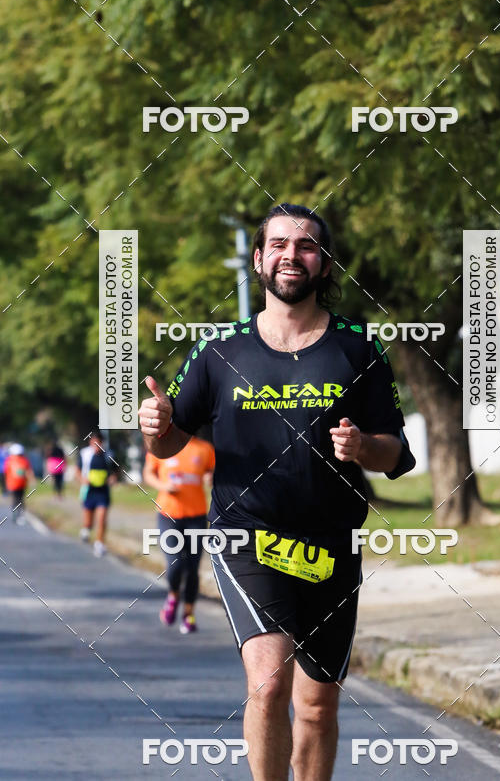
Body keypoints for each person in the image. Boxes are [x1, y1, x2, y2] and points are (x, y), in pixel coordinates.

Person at [138, 203, 415, 781]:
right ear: (260, 259)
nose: (293, 254)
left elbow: (397, 454)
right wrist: (158, 426)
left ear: (324, 262)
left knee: (316, 708)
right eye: (280, 244)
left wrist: (364, 446)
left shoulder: (357, 348)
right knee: (267, 685)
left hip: (332, 544)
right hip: (246, 538)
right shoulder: (219, 350)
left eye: (307, 245)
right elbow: (170, 444)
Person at [143, 435, 215, 634]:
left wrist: (211, 477)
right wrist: (163, 486)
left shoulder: (205, 448)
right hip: (168, 515)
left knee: (192, 568)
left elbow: (214, 471)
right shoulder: (161, 446)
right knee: (175, 563)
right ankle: (173, 595)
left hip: (197, 516)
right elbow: (148, 473)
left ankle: (188, 615)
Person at [76, 430, 117, 557]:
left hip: (103, 491)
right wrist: (82, 479)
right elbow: (77, 471)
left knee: (101, 519)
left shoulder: (109, 455)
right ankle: (86, 529)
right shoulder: (85, 454)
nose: (97, 445)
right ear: (91, 442)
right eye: (94, 443)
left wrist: (112, 478)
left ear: (102, 443)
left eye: (99, 443)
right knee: (88, 522)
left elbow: (116, 471)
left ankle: (99, 544)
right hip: (89, 491)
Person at [5, 443, 35, 524]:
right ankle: (19, 515)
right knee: (20, 499)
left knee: (15, 499)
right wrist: (32, 480)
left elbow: (6, 472)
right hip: (21, 484)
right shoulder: (24, 460)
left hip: (12, 484)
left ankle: (16, 515)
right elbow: (28, 471)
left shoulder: (9, 460)